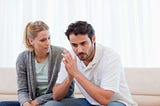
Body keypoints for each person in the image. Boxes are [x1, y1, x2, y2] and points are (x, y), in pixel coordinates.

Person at [53, 21, 138, 106]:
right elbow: (56, 95)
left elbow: (105, 100)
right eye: (74, 45)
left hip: (115, 102)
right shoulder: (70, 57)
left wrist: (76, 73)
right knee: (51, 104)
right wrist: (69, 77)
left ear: (93, 39)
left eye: (83, 43)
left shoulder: (111, 57)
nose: (79, 50)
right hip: (90, 103)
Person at [0, 21, 74, 106]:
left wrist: (39, 100)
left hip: (58, 101)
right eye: (43, 40)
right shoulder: (22, 58)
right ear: (31, 41)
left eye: (49, 38)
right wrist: (26, 103)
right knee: (3, 104)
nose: (48, 43)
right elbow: (22, 90)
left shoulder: (61, 54)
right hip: (34, 103)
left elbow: (69, 90)